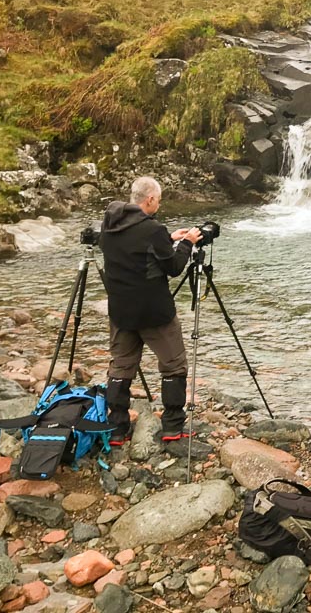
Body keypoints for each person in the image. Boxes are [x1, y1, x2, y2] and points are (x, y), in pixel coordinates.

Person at [99, 176, 202, 445]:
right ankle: (172, 426)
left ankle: (117, 429)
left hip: (121, 311)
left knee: (121, 367)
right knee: (173, 365)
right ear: (150, 200)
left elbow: (133, 248)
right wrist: (188, 242)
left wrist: (168, 238)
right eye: (159, 198)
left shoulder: (110, 224)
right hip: (154, 312)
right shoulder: (152, 230)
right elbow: (174, 268)